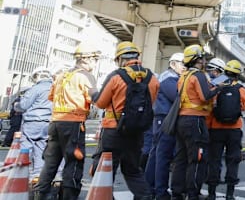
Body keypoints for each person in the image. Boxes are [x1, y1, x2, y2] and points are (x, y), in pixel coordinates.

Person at [33, 43, 100, 200]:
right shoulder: (85, 76)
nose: (95, 63)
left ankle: (40, 194)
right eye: (94, 60)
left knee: (51, 162)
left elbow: (51, 97)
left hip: (55, 123)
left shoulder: (61, 76)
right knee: (74, 162)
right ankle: (69, 196)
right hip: (73, 123)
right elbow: (95, 98)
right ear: (86, 59)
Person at [93, 41, 159, 200]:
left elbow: (101, 103)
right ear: (137, 57)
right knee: (133, 170)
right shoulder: (152, 78)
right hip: (137, 131)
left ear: (120, 59)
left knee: (105, 169)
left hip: (113, 130)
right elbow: (152, 102)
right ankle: (145, 197)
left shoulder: (116, 76)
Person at [171, 45, 220, 200]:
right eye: (203, 58)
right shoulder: (198, 75)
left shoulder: (184, 76)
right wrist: (218, 87)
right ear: (198, 59)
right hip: (196, 122)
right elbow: (205, 96)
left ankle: (177, 193)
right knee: (197, 159)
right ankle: (193, 194)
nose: (205, 60)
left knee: (180, 158)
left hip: (181, 120)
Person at [206, 60, 245, 200]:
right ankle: (230, 194)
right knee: (233, 160)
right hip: (234, 130)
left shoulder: (216, 84)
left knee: (214, 160)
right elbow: (244, 107)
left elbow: (209, 101)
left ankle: (212, 192)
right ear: (237, 74)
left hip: (216, 128)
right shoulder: (241, 88)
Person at [145, 53, 185, 200]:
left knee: (156, 155)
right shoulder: (169, 78)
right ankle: (160, 191)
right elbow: (178, 97)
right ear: (173, 64)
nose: (184, 67)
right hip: (165, 119)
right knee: (163, 156)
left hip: (163, 119)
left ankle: (150, 187)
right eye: (182, 64)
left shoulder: (168, 77)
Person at [17, 67, 53, 181]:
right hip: (48, 124)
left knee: (26, 149)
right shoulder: (55, 89)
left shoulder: (35, 89)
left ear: (37, 76)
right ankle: (36, 178)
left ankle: (22, 176)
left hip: (32, 123)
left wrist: (16, 106)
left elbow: (23, 105)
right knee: (41, 150)